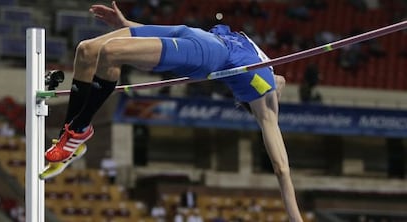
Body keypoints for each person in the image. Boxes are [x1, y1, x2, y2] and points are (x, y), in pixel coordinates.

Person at [44, 1, 303, 221]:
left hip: (207, 53)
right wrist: (126, 24)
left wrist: (295, 218)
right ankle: (70, 139)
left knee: (110, 53)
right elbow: (280, 80)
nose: (279, 87)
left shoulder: (265, 107)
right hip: (192, 32)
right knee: (86, 50)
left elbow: (282, 169)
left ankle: (80, 129)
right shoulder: (272, 76)